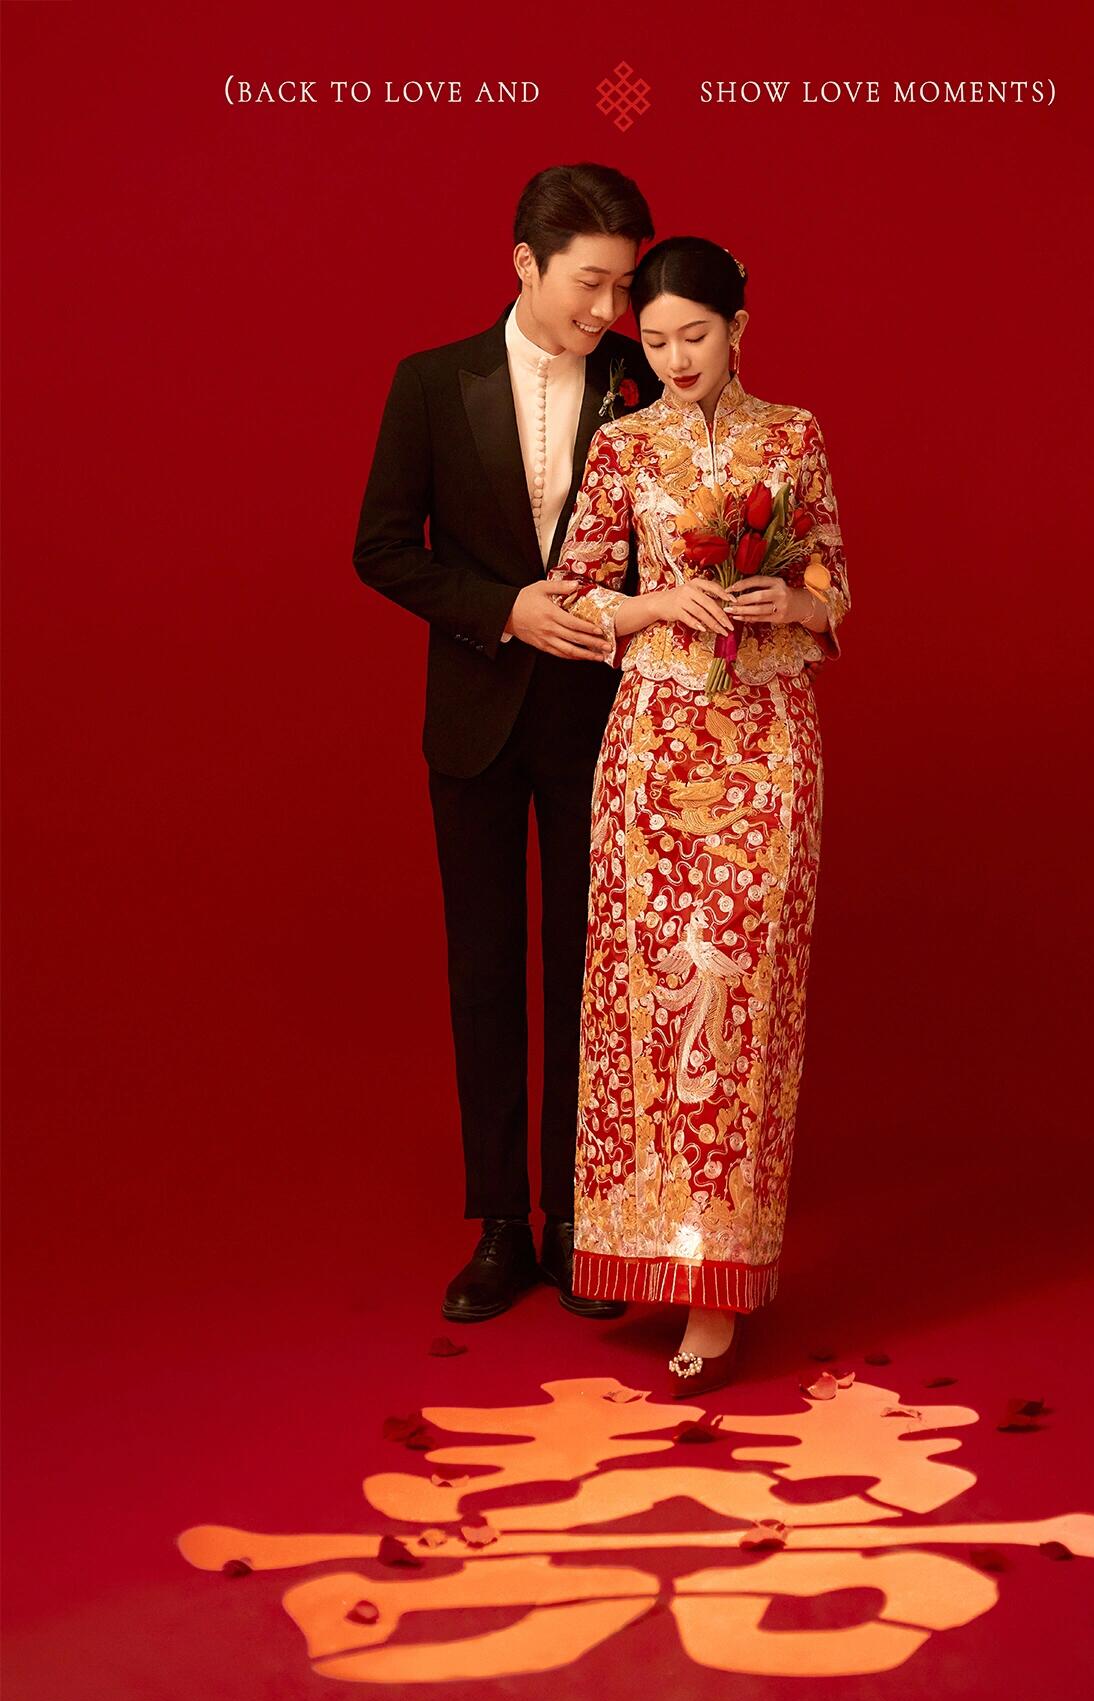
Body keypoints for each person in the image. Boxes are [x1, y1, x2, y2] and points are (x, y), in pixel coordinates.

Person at [352, 164, 662, 1324]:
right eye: (590, 283)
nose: (610, 310)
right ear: (525, 264)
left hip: (603, 720)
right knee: (482, 971)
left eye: (623, 286)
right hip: (474, 719)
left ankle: (579, 1219)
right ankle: (499, 1224)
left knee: (589, 974)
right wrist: (502, 609)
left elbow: (670, 538)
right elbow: (382, 547)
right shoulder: (431, 382)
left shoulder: (641, 378)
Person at [548, 236, 850, 1397]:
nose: (675, 358)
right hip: (654, 746)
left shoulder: (794, 436)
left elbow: (832, 579)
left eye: (695, 336)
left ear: (738, 327)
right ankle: (652, 1253)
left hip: (766, 746)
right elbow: (577, 596)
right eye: (657, 339)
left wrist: (792, 598)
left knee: (742, 1000)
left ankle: (718, 1284)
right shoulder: (623, 445)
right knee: (646, 993)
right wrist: (654, 604)